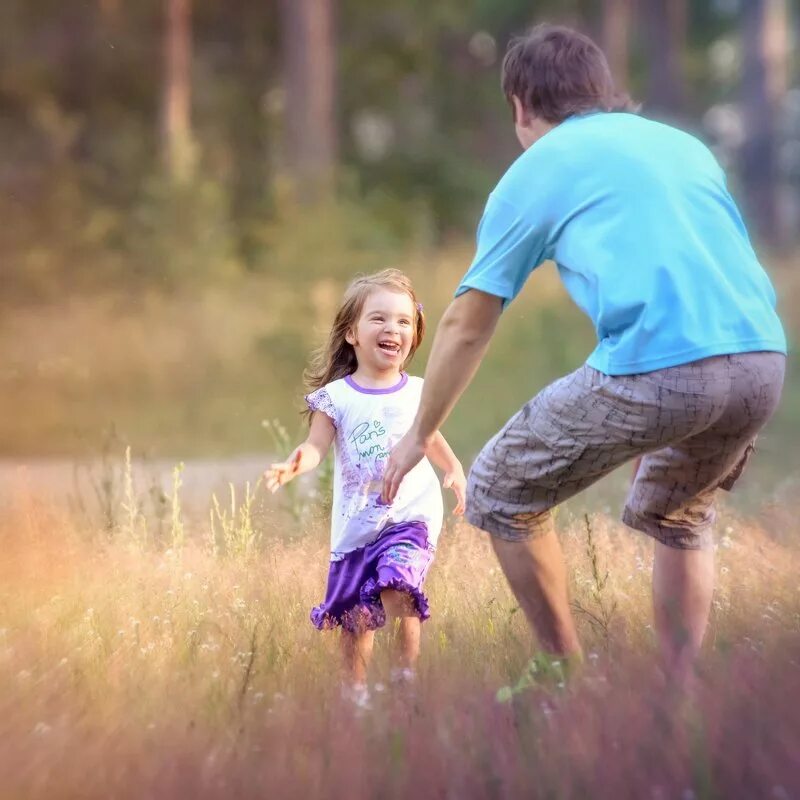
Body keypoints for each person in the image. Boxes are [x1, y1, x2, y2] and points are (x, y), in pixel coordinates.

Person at [381, 24, 787, 696]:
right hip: (761, 360)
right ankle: (677, 697)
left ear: (520, 106)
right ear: (602, 92)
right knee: (680, 515)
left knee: (501, 487)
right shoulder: (682, 147)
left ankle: (564, 674)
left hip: (661, 365)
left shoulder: (538, 168)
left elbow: (466, 323)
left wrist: (418, 434)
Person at [266, 269, 466, 709]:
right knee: (357, 617)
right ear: (351, 333)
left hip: (411, 514)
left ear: (413, 335)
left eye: (402, 321)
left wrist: (453, 469)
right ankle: (354, 696)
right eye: (379, 319)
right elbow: (316, 447)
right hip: (358, 522)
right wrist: (295, 464)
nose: (392, 329)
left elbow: (428, 436)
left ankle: (404, 680)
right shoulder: (336, 397)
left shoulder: (417, 392)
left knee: (401, 583)